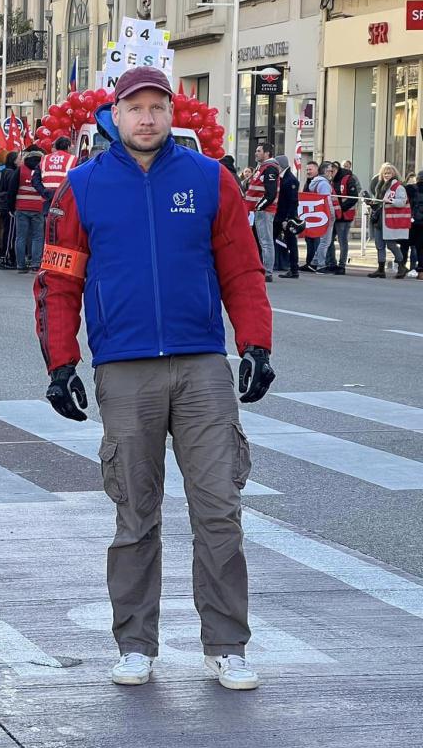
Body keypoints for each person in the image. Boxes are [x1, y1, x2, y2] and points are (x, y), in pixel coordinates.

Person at [33, 66, 274, 692]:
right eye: (135, 108)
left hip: (201, 367)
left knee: (219, 510)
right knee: (135, 514)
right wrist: (60, 362)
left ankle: (227, 646)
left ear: (173, 113)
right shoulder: (83, 188)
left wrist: (255, 344)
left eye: (157, 107)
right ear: (114, 115)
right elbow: (59, 282)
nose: (147, 118)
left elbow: (243, 272)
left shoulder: (210, 180)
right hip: (124, 369)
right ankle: (135, 644)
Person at [367, 162, 411, 278]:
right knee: (379, 245)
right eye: (385, 173)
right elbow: (379, 203)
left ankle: (402, 266)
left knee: (391, 245)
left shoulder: (398, 187)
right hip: (378, 219)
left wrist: (390, 202)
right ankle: (381, 269)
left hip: (389, 221)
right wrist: (372, 203)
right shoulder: (379, 186)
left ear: (394, 173)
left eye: (389, 173)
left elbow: (402, 202)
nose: (387, 175)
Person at [245, 142, 279, 282]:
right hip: (258, 210)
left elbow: (270, 193)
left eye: (259, 151)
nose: (256, 153)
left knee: (266, 241)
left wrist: (259, 206)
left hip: (264, 211)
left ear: (266, 153)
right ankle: (262, 268)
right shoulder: (263, 167)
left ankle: (267, 271)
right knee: (262, 241)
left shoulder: (270, 168)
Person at [14, 145, 46, 273]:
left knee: (21, 237)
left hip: (21, 207)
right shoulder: (42, 169)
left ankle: (21, 265)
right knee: (37, 237)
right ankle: (35, 264)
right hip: (38, 207)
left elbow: (12, 189)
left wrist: (12, 207)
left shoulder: (20, 169)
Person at [326, 160, 360, 274]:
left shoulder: (348, 178)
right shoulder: (330, 181)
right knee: (329, 240)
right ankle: (332, 263)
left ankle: (341, 265)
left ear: (336, 169)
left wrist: (341, 208)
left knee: (342, 240)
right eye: (329, 171)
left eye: (332, 171)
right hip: (334, 215)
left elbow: (353, 197)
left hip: (344, 216)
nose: (330, 173)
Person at [301, 160, 334, 273]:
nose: (331, 173)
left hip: (319, 213)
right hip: (325, 214)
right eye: (330, 170)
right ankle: (320, 265)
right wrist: (331, 214)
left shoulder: (315, 182)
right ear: (325, 171)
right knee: (325, 241)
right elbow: (327, 200)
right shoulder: (324, 184)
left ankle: (314, 263)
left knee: (323, 240)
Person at [273, 155, 302, 279]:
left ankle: (294, 269)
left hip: (286, 217)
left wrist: (287, 219)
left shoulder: (290, 180)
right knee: (270, 239)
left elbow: (293, 201)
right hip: (279, 215)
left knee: (291, 243)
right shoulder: (281, 177)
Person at [0, 151, 19, 268]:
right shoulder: (10, 173)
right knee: (10, 233)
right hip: (8, 206)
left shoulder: (3, 171)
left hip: (4, 205)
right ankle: (7, 257)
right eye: (18, 158)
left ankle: (5, 255)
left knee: (7, 232)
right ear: (13, 160)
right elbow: (1, 191)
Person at [407, 171, 423, 276]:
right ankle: (421, 272)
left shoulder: (411, 188)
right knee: (421, 247)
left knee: (406, 245)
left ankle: (402, 267)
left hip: (413, 221)